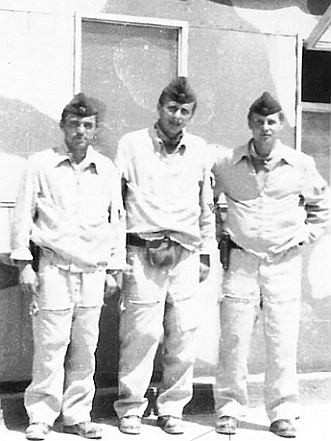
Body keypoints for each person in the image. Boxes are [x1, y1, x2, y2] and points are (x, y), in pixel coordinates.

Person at [212, 92, 330, 438]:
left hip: (283, 263)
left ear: (280, 125)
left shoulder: (300, 164)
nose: (265, 128)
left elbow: (321, 206)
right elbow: (206, 199)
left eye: (272, 122)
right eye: (260, 121)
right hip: (242, 261)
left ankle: (282, 412)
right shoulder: (228, 163)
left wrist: (305, 236)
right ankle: (230, 408)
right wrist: (219, 231)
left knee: (281, 339)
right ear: (250, 123)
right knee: (234, 339)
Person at [10, 93, 125, 440]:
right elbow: (22, 215)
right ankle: (41, 415)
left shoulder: (106, 168)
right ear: (62, 126)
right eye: (73, 124)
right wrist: (23, 264)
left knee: (85, 347)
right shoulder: (41, 164)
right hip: (54, 268)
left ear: (95, 130)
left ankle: (76, 415)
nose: (79, 131)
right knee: (50, 344)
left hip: (92, 270)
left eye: (87, 126)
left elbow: (116, 220)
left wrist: (114, 268)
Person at [113, 77, 216, 435]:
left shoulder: (200, 150)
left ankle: (172, 408)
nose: (177, 116)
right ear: (159, 108)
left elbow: (206, 206)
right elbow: (116, 204)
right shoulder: (133, 145)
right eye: (172, 108)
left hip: (185, 254)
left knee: (184, 335)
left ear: (191, 115)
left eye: (184, 111)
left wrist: (206, 252)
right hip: (142, 251)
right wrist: (116, 255)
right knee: (141, 334)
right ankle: (130, 408)